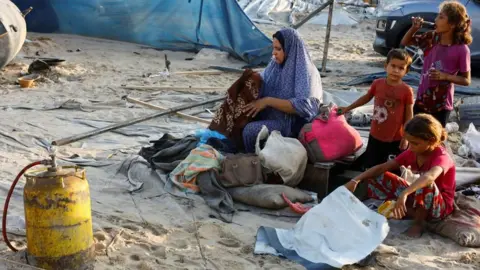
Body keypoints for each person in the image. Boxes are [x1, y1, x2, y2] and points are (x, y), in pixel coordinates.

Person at [345, 114, 455, 238]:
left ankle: (418, 223)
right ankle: (403, 209)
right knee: (378, 174)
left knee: (425, 184)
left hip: (438, 208)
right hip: (418, 198)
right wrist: (355, 180)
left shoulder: (442, 157)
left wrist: (405, 193)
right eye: (409, 142)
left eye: (415, 143)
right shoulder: (413, 152)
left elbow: (430, 177)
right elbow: (383, 167)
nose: (411, 147)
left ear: (431, 141)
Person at [241, 28, 323, 153]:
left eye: (278, 49)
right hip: (271, 116)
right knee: (239, 120)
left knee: (250, 130)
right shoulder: (275, 66)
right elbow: (262, 81)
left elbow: (304, 106)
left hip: (289, 124)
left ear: (290, 48)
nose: (274, 53)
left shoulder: (305, 71)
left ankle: (254, 163)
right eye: (273, 48)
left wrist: (267, 101)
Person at [338, 49, 414, 169]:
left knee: (391, 168)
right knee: (371, 165)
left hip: (395, 138)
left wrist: (406, 137)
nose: (396, 70)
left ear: (406, 71)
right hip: (375, 134)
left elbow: (409, 116)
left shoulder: (406, 91)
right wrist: (348, 108)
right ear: (386, 66)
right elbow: (366, 98)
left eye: (401, 68)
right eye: (393, 66)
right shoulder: (377, 83)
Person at [400, 1, 472, 127]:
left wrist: (445, 76)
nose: (435, 19)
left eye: (441, 17)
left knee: (434, 139)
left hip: (442, 105)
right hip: (422, 99)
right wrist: (414, 28)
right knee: (416, 134)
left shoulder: (461, 49)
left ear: (453, 24)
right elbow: (406, 42)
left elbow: (466, 80)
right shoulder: (432, 38)